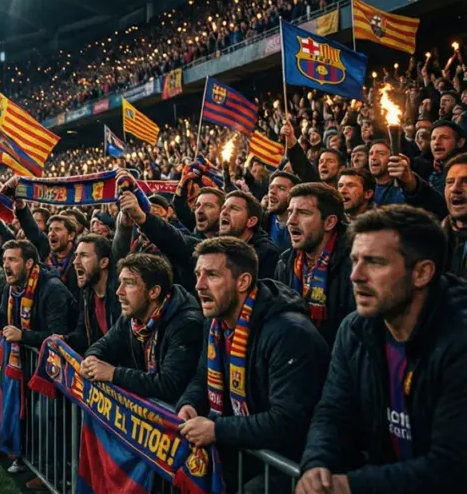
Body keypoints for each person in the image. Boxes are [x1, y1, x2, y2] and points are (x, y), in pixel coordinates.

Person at [297, 206, 467, 494]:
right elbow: (333, 413)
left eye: (375, 263)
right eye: (354, 261)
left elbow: (452, 466)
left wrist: (350, 485)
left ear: (422, 273)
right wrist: (317, 465)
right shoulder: (355, 330)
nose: (356, 276)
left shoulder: (458, 342)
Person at [177, 237, 329, 490]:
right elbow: (202, 376)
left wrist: (217, 429)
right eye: (198, 274)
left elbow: (287, 421)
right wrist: (190, 404)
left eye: (212, 275)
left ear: (243, 282)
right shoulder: (214, 323)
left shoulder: (289, 333)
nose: (199, 285)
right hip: (243, 454)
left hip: (288, 465)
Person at [0, 240, 71, 474]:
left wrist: (23, 336)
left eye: (12, 260)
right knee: (21, 410)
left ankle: (49, 471)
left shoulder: (52, 289)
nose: (6, 265)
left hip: (49, 370)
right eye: (4, 260)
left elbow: (60, 335)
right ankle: (22, 455)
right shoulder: (11, 288)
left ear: (29, 263)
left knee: (44, 417)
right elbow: (4, 318)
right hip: (23, 364)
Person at [80, 253, 203, 404]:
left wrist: (113, 374)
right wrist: (92, 359)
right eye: (120, 283)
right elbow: (105, 344)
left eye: (129, 283)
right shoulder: (132, 315)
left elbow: (169, 385)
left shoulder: (186, 324)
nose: (119, 291)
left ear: (154, 292)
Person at [275, 183, 354, 347]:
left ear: (329, 222)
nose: (291, 221)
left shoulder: (354, 265)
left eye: (303, 213)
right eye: (290, 212)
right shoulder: (285, 263)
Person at [64, 234, 121, 353]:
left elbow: (120, 342)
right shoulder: (87, 293)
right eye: (76, 255)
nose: (75, 262)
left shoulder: (120, 295)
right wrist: (65, 340)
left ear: (103, 262)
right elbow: (83, 334)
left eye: (84, 256)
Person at [219, 191, 280, 279]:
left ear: (251, 221)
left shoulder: (267, 253)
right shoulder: (216, 247)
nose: (224, 212)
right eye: (223, 208)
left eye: (234, 208)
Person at [264, 171, 299, 252]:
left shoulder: (302, 227)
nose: (272, 192)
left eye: (281, 188)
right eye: (271, 187)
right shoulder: (263, 220)